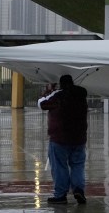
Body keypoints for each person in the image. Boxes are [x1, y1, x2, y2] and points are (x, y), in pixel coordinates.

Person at [38, 74, 89, 204]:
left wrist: (48, 91)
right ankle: (79, 190)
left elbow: (42, 104)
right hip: (79, 138)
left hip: (59, 138)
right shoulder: (81, 95)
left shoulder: (58, 96)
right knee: (78, 165)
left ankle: (60, 195)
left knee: (59, 166)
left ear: (60, 84)